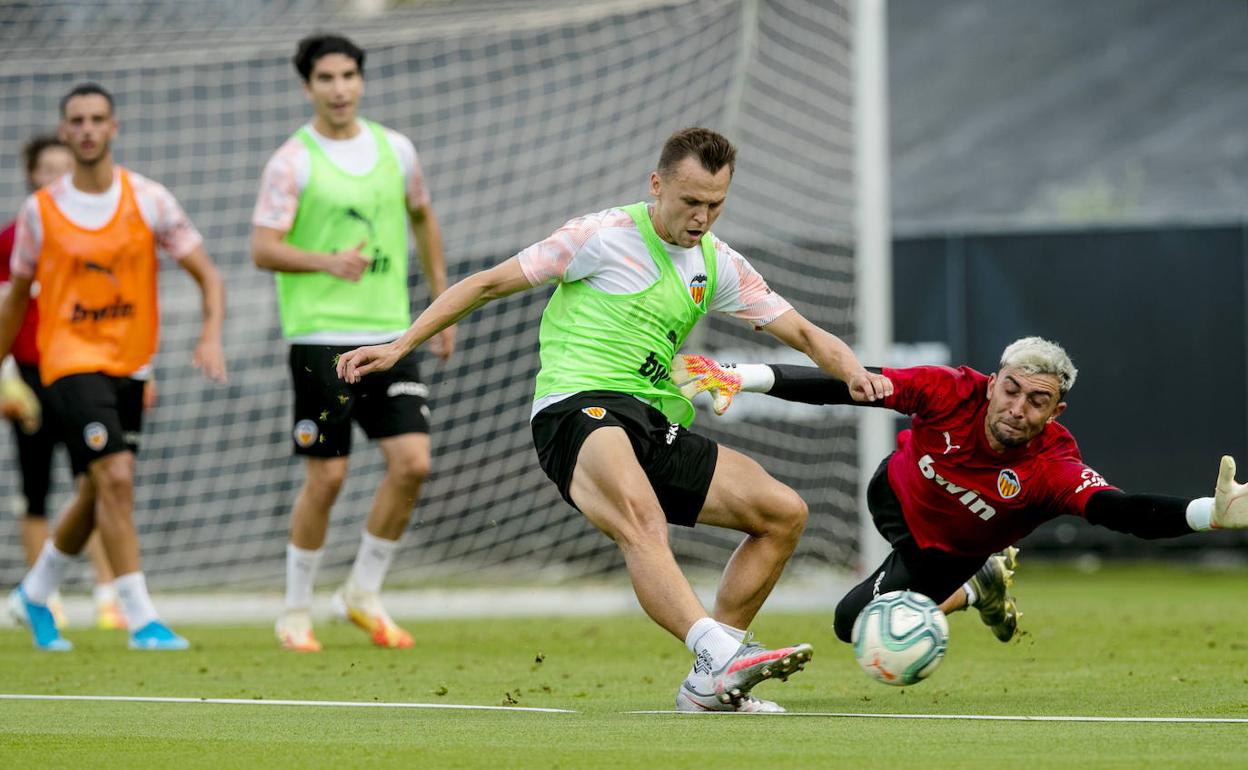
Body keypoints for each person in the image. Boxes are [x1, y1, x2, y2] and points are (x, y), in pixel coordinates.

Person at [336, 127, 892, 711]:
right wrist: (400, 347)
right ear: (657, 185)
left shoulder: (718, 263)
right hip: (575, 409)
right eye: (691, 202)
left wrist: (853, 372)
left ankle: (712, 682)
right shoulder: (600, 236)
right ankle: (719, 652)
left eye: (716, 205)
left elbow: (803, 332)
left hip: (649, 419)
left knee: (783, 514)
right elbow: (485, 284)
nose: (702, 217)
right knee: (641, 519)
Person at [671, 337, 1248, 644]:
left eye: (1037, 401)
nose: (1017, 409)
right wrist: (743, 377)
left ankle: (976, 586)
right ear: (992, 382)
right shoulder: (950, 390)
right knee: (873, 575)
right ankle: (981, 583)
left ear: (1056, 411)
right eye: (1011, 390)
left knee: (852, 624)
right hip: (891, 496)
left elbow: (1121, 511)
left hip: (944, 554)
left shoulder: (1053, 465)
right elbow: (850, 387)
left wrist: (1208, 514)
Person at [1, 83, 227, 651]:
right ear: (64, 129)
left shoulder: (150, 199)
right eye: (76, 120)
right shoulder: (40, 212)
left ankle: (34, 594)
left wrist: (210, 333)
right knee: (117, 478)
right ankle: (141, 617)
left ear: (114, 127)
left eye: (97, 118)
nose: (86, 129)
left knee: (98, 488)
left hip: (131, 365)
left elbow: (207, 272)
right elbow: (16, 297)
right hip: (68, 360)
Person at [251, 34, 453, 652]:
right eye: (326, 79)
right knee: (328, 478)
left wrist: (441, 304)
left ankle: (362, 595)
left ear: (361, 80)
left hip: (390, 336)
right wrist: (326, 262)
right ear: (307, 86)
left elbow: (421, 215)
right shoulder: (293, 161)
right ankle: (294, 610)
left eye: (348, 76)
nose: (339, 88)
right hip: (320, 339)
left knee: (413, 463)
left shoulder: (397, 150)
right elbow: (263, 247)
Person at [1, 134, 126, 631]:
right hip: (30, 377)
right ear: (32, 175)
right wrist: (7, 381)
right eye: (46, 168)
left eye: (63, 166)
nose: (56, 176)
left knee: (95, 481)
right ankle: (43, 597)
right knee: (35, 492)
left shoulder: (93, 233)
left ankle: (106, 593)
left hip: (83, 373)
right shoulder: (14, 237)